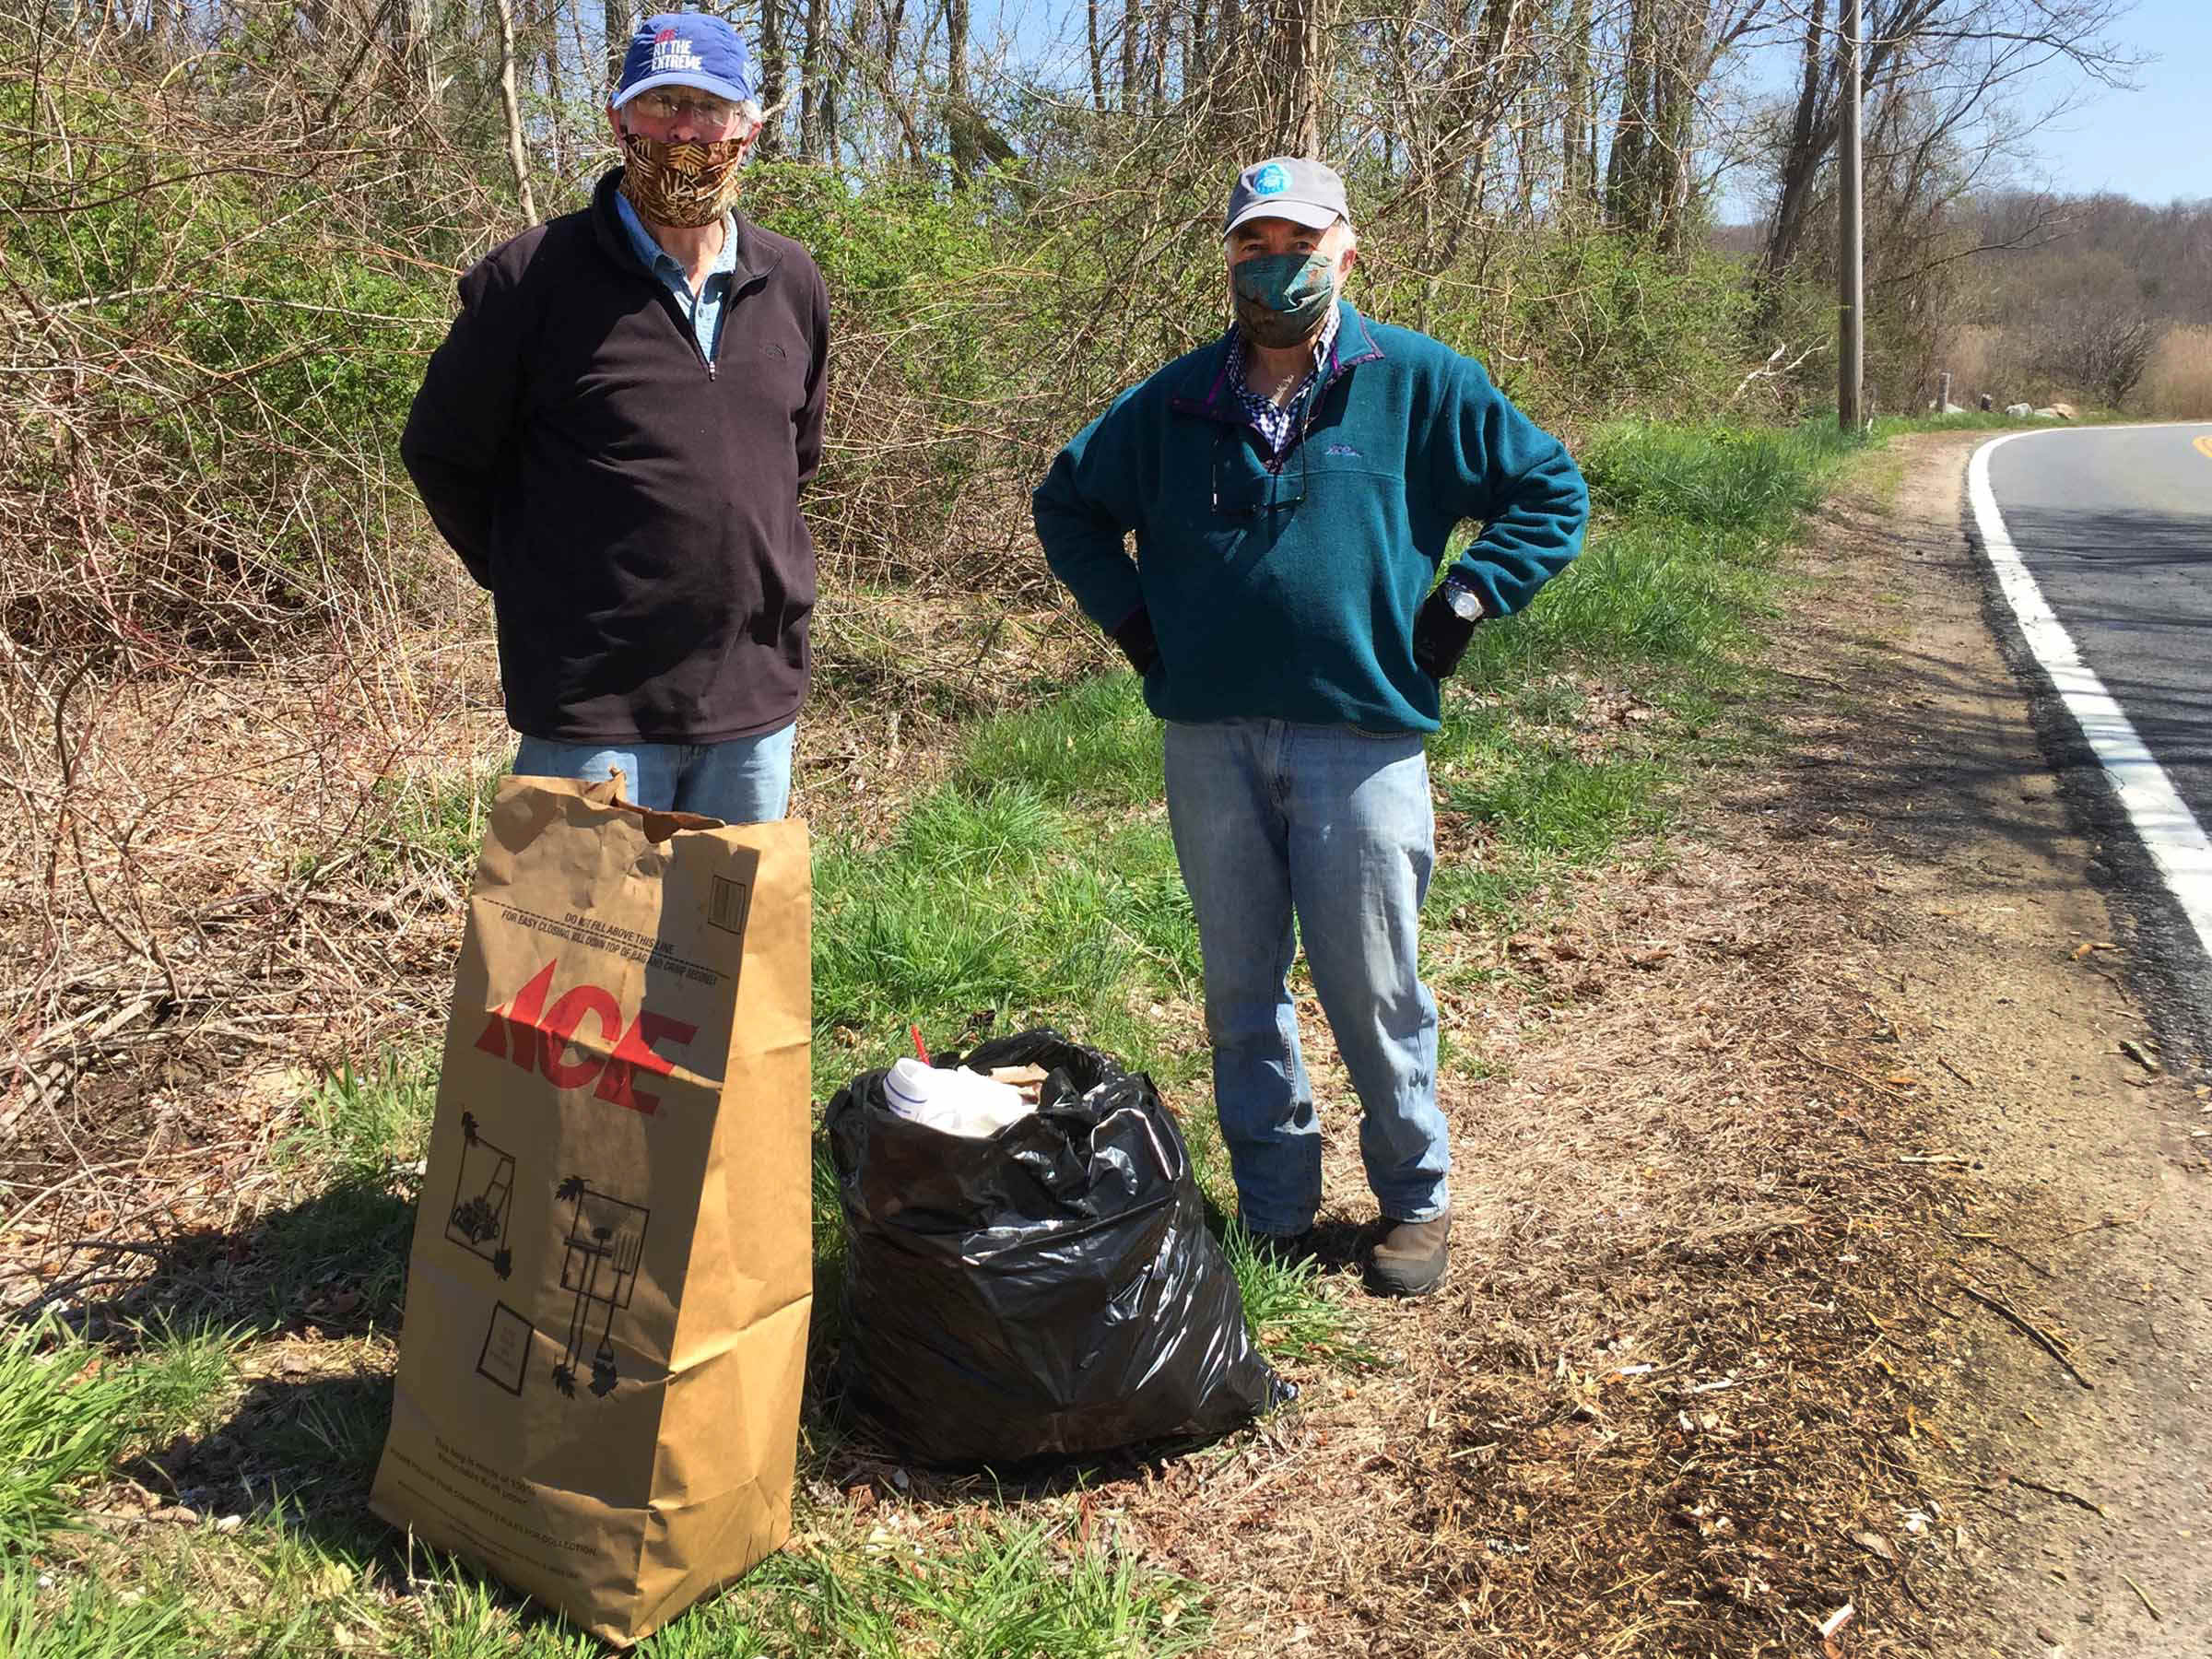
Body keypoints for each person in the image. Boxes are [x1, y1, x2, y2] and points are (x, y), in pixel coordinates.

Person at [1033, 158, 1588, 1296]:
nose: (1275, 263)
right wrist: (1139, 629)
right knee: (1241, 989)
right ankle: (1276, 1206)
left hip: (1361, 739)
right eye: (1253, 243)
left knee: (1374, 987)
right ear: (1229, 257)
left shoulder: (1418, 382)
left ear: (1346, 250)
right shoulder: (1176, 401)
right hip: (1212, 742)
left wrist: (1463, 602)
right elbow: (1068, 505)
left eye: (1299, 241)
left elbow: (1549, 492)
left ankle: (1414, 1200)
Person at [402, 14, 829, 824]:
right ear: (618, 121)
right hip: (591, 712)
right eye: (661, 104)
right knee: (581, 917)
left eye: (708, 108)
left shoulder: (791, 279)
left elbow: (791, 465)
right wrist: (538, 579)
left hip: (753, 707)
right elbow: (442, 454)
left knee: (724, 917)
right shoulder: (529, 279)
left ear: (748, 129)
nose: (684, 130)